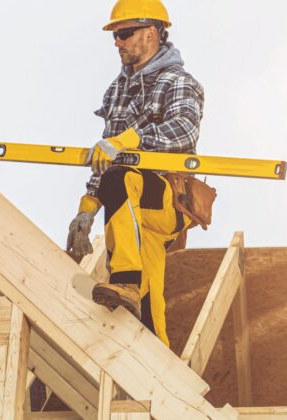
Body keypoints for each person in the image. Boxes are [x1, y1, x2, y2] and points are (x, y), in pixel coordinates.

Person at [66, 0, 205, 348]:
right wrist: (87, 208)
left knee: (120, 177)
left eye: (124, 33)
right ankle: (162, 372)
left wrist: (130, 140)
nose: (118, 42)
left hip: (168, 199)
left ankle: (126, 278)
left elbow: (184, 131)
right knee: (145, 308)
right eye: (115, 35)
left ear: (151, 33)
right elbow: (106, 157)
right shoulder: (117, 91)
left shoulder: (179, 81)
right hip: (129, 210)